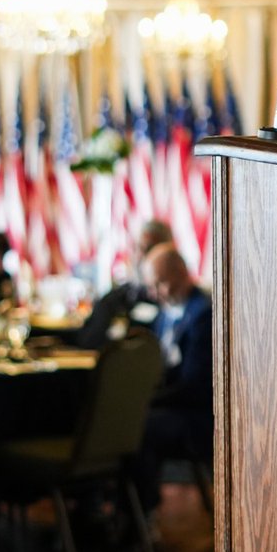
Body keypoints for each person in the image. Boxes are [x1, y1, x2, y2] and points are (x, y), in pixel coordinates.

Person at [130, 242, 213, 518]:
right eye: (151, 286)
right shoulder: (165, 311)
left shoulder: (203, 315)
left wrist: (146, 400)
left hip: (197, 417)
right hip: (171, 403)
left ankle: (142, 516)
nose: (155, 293)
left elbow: (195, 387)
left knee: (139, 428)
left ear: (182, 273)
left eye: (161, 283)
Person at [72, 219, 171, 349]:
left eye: (150, 249)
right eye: (138, 248)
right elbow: (88, 341)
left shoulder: (176, 305)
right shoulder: (115, 299)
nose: (141, 256)